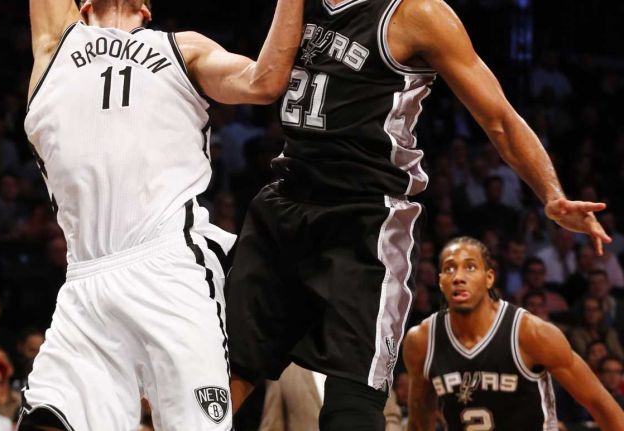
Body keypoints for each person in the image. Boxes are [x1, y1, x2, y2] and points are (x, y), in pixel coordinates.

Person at [226, 0, 611, 428]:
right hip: (285, 199)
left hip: (365, 217)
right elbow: (259, 84)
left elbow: (498, 117)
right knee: (226, 370)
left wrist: (550, 194)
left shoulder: (418, 14)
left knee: (352, 399)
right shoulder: (297, 5)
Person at [20, 0, 304, 429]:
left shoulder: (183, 49)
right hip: (85, 283)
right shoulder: (54, 43)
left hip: (169, 268)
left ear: (147, 8)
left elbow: (264, 83)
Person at [403, 237, 624, 430]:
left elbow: (599, 403)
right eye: (450, 268)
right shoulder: (421, 341)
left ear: (489, 278)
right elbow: (420, 422)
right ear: (441, 281)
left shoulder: (532, 333)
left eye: (470, 267)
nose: (458, 277)